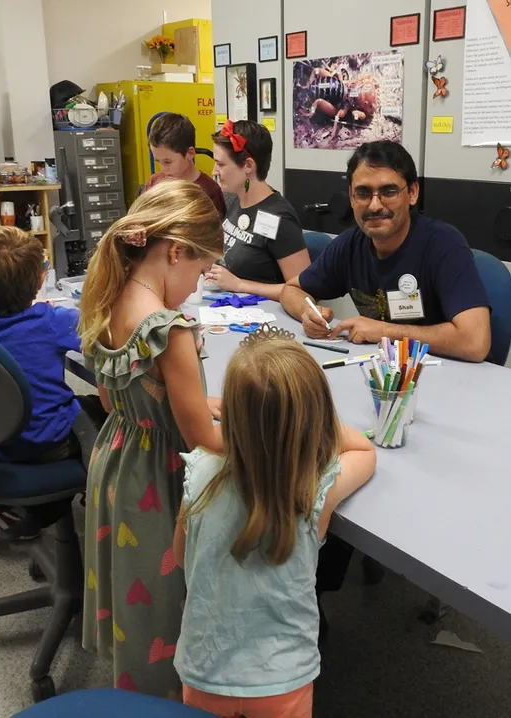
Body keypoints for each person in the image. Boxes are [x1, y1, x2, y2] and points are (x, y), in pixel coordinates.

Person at [173, 332, 376, 718]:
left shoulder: (198, 473)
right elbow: (364, 450)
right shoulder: (313, 490)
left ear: (228, 414)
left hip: (204, 672)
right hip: (283, 681)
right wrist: (321, 426)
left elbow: (180, 557)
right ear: (315, 421)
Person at [79, 180, 224, 697]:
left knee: (133, 582)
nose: (198, 284)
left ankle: (132, 683)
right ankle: (164, 698)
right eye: (201, 270)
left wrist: (183, 402)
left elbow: (112, 396)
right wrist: (273, 435)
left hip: (116, 462)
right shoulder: (171, 328)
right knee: (163, 595)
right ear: (176, 251)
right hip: (158, 481)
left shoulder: (105, 297)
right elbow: (203, 441)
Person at [281, 140, 491, 362]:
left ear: (412, 193)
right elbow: (291, 290)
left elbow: (475, 342)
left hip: (444, 374)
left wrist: (386, 332)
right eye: (363, 193)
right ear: (351, 198)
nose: (374, 206)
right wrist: (309, 313)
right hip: (381, 373)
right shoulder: (350, 245)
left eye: (388, 191)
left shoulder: (443, 245)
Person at [0, 226, 88, 557]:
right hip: (47, 445)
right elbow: (104, 335)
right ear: (41, 278)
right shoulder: (54, 320)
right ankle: (108, 512)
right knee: (103, 416)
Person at [206, 119, 310, 301]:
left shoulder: (278, 218)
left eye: (221, 164)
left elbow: (305, 291)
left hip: (265, 317)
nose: (214, 171)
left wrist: (239, 285)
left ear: (248, 166)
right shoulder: (235, 200)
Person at [143, 112, 226, 219]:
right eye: (158, 161)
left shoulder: (210, 191)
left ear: (190, 153)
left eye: (168, 162)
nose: (163, 169)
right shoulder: (153, 183)